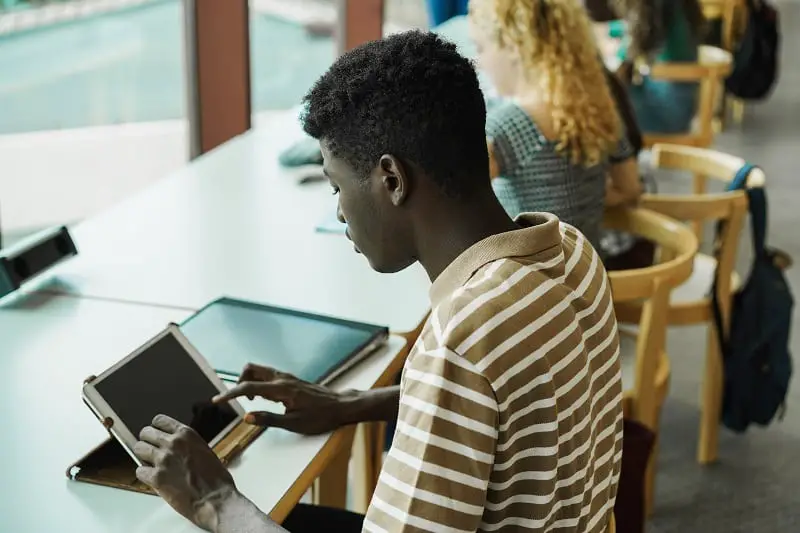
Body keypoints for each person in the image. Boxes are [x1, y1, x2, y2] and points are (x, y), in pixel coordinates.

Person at [132, 30, 624, 533]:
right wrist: (351, 403)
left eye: (336, 185)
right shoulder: (570, 250)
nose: (340, 209)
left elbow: (468, 378)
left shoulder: (461, 341)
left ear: (392, 179)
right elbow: (514, 411)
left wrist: (214, 500)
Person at [468, 0, 641, 252]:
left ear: (514, 45)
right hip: (589, 281)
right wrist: (583, 203)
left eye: (481, 47)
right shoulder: (600, 110)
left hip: (529, 285)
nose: (480, 62)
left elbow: (461, 211)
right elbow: (630, 188)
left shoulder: (503, 128)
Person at [607, 0, 707, 134]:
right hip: (683, 106)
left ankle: (625, 153)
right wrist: (611, 30)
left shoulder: (658, 5)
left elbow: (633, 45)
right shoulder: (674, 5)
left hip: (666, 113)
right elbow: (635, 30)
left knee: (604, 107)